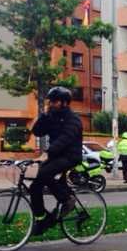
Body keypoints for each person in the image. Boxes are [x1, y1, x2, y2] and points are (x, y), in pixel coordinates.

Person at [28, 87, 83, 235]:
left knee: (44, 174)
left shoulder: (74, 119)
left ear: (64, 103)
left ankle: (67, 200)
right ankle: (43, 219)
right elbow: (38, 131)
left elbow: (65, 139)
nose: (51, 103)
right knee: (35, 186)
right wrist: (44, 115)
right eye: (50, 101)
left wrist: (48, 153)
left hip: (70, 156)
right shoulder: (52, 116)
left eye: (54, 101)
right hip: (56, 157)